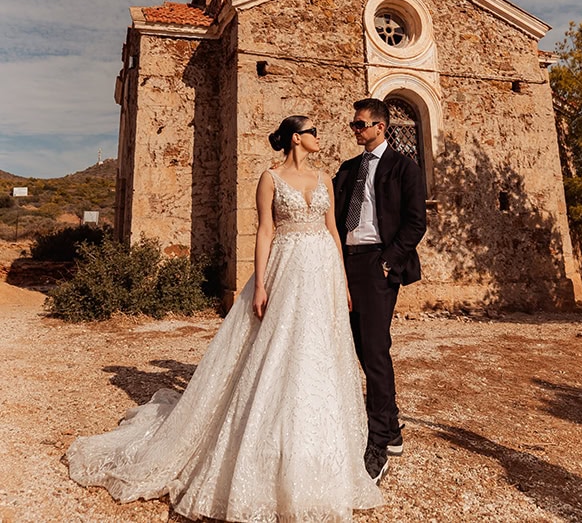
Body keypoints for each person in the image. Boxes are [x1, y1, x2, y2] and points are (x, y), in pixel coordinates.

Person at [67, 115, 381, 522]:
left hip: (322, 272)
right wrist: (262, 284)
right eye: (313, 132)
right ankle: (263, 443)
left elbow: (333, 232)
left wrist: (342, 279)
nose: (320, 137)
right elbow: (265, 231)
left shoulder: (323, 179)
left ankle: (319, 454)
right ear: (296, 138)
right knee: (277, 350)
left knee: (318, 353)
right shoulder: (270, 178)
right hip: (285, 271)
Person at [334, 98, 427, 484]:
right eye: (354, 125)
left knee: (374, 349)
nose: (355, 130)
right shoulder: (348, 168)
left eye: (360, 124)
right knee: (359, 347)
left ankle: (378, 443)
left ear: (380, 127)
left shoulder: (404, 168)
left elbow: (415, 222)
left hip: (377, 263)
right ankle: (391, 428)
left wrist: (388, 262)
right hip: (345, 262)